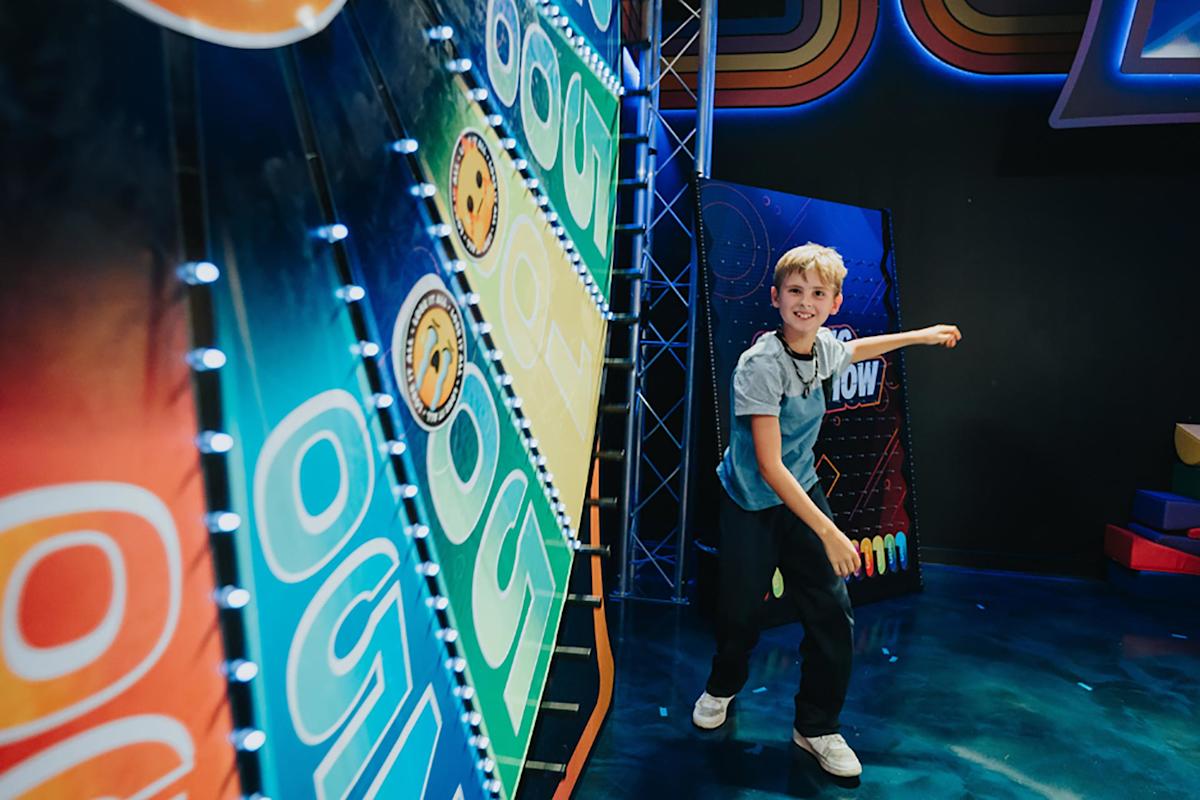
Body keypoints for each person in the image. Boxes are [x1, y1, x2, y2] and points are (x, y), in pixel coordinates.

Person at [692, 243, 961, 778]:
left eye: (818, 294)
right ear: (776, 297)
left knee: (832, 614)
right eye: (796, 291)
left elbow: (859, 350)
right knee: (740, 614)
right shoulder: (759, 366)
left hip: (803, 491)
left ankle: (816, 726)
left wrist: (922, 336)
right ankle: (722, 685)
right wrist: (832, 532)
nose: (806, 302)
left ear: (834, 303)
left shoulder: (823, 349)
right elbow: (769, 467)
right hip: (750, 498)